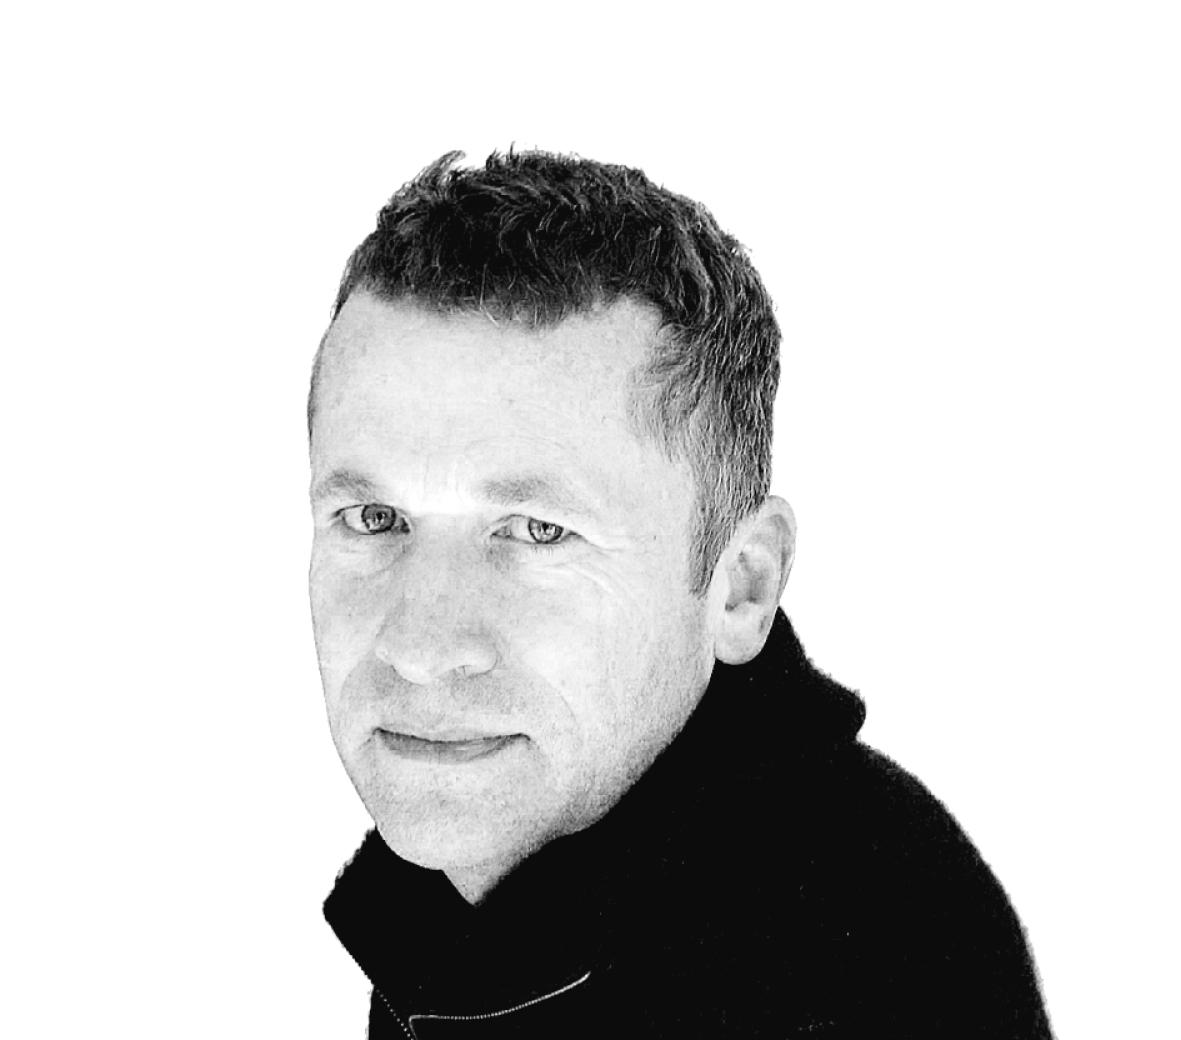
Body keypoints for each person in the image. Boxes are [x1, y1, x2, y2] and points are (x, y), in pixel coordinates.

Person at [307, 150, 1053, 1038]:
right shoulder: (504, 903)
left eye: (538, 531)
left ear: (741, 587)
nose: (421, 646)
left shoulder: (847, 971)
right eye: (372, 518)